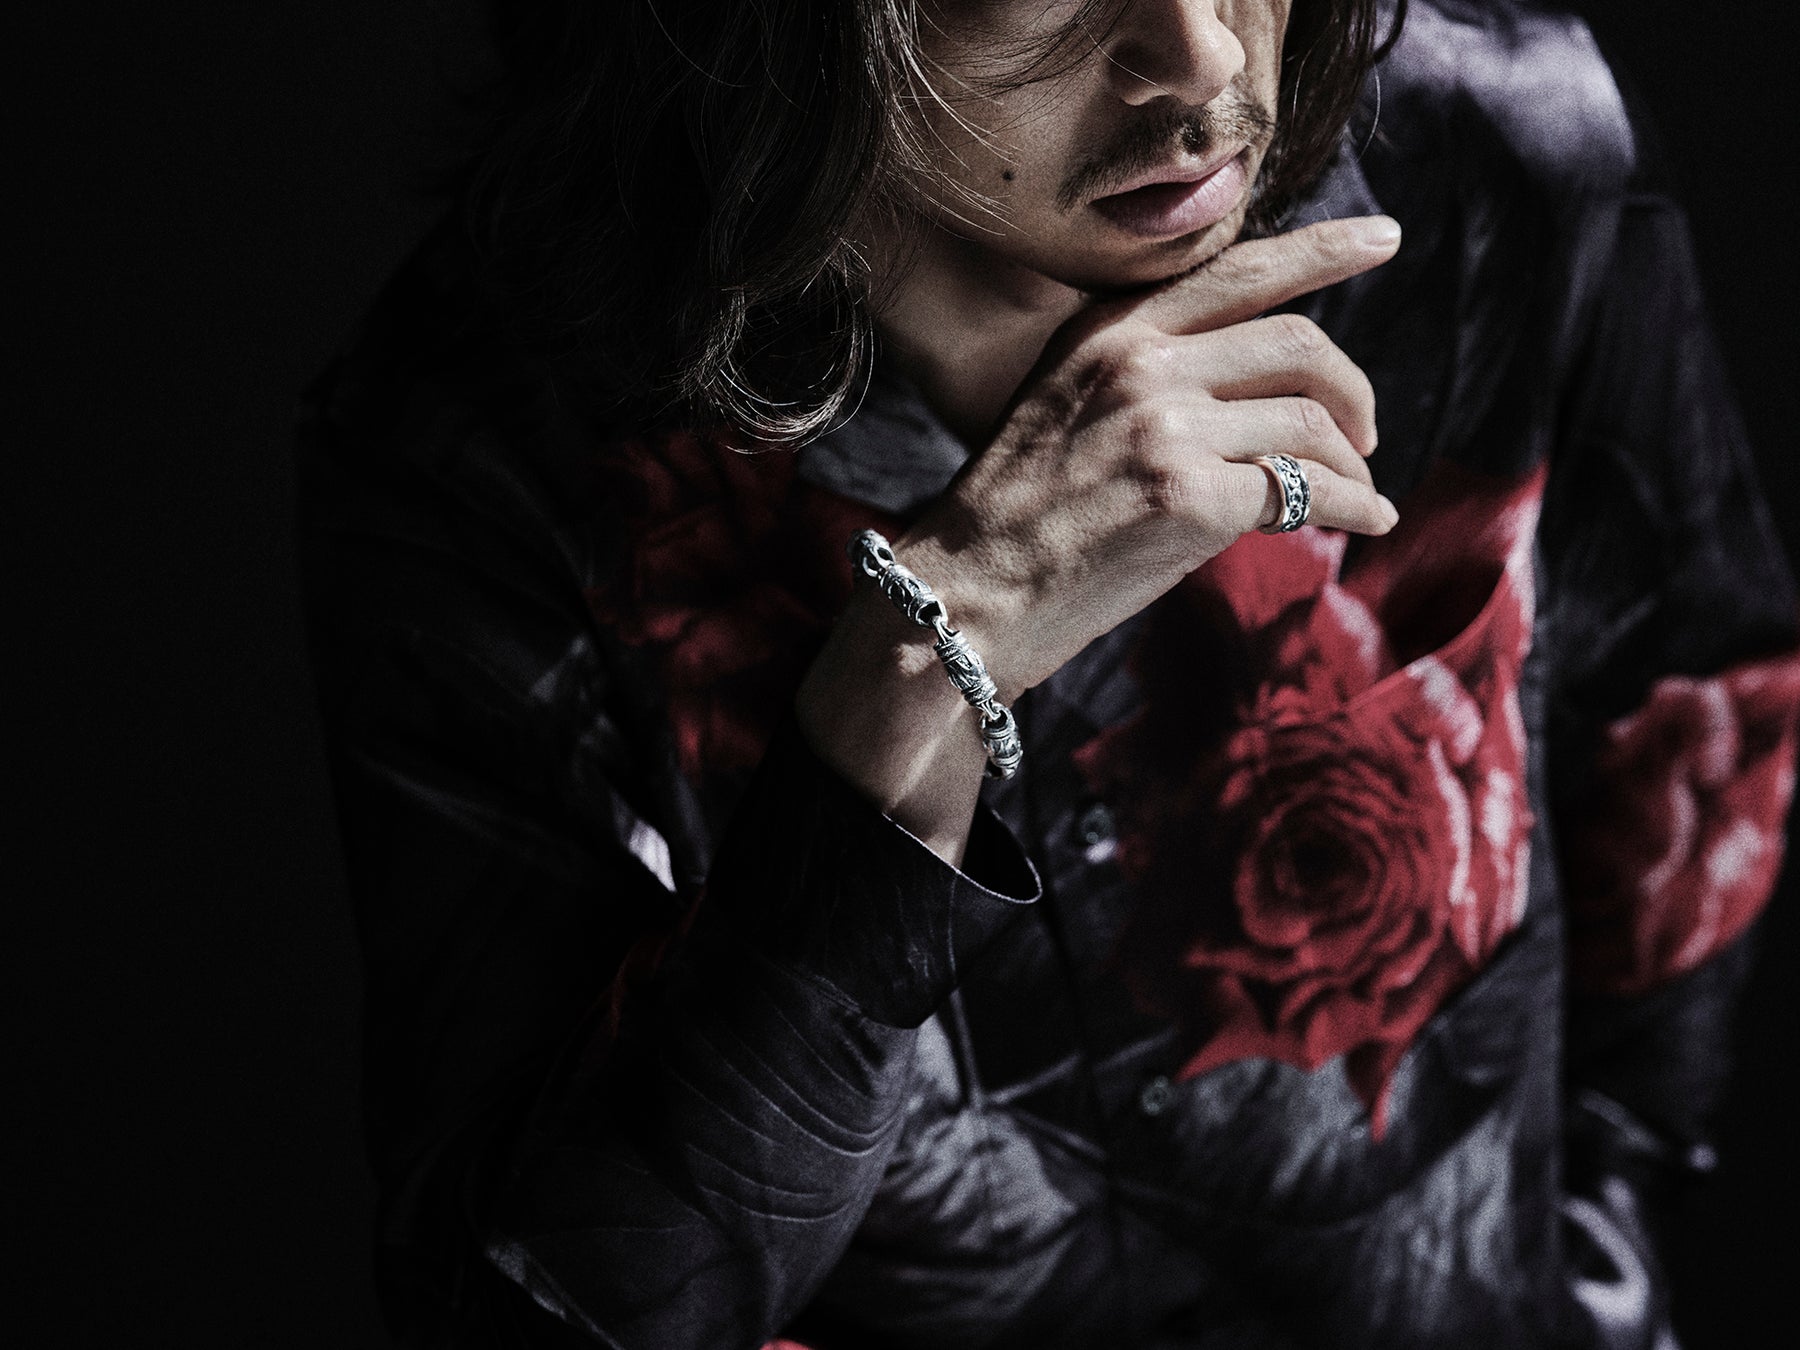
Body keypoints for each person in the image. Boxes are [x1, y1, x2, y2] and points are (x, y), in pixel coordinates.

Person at [296, 0, 1800, 1345]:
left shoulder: (1500, 160)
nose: (1199, 57)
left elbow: (1696, 778)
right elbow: (541, 1306)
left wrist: (1580, 1280)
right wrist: (922, 673)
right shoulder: (484, 461)